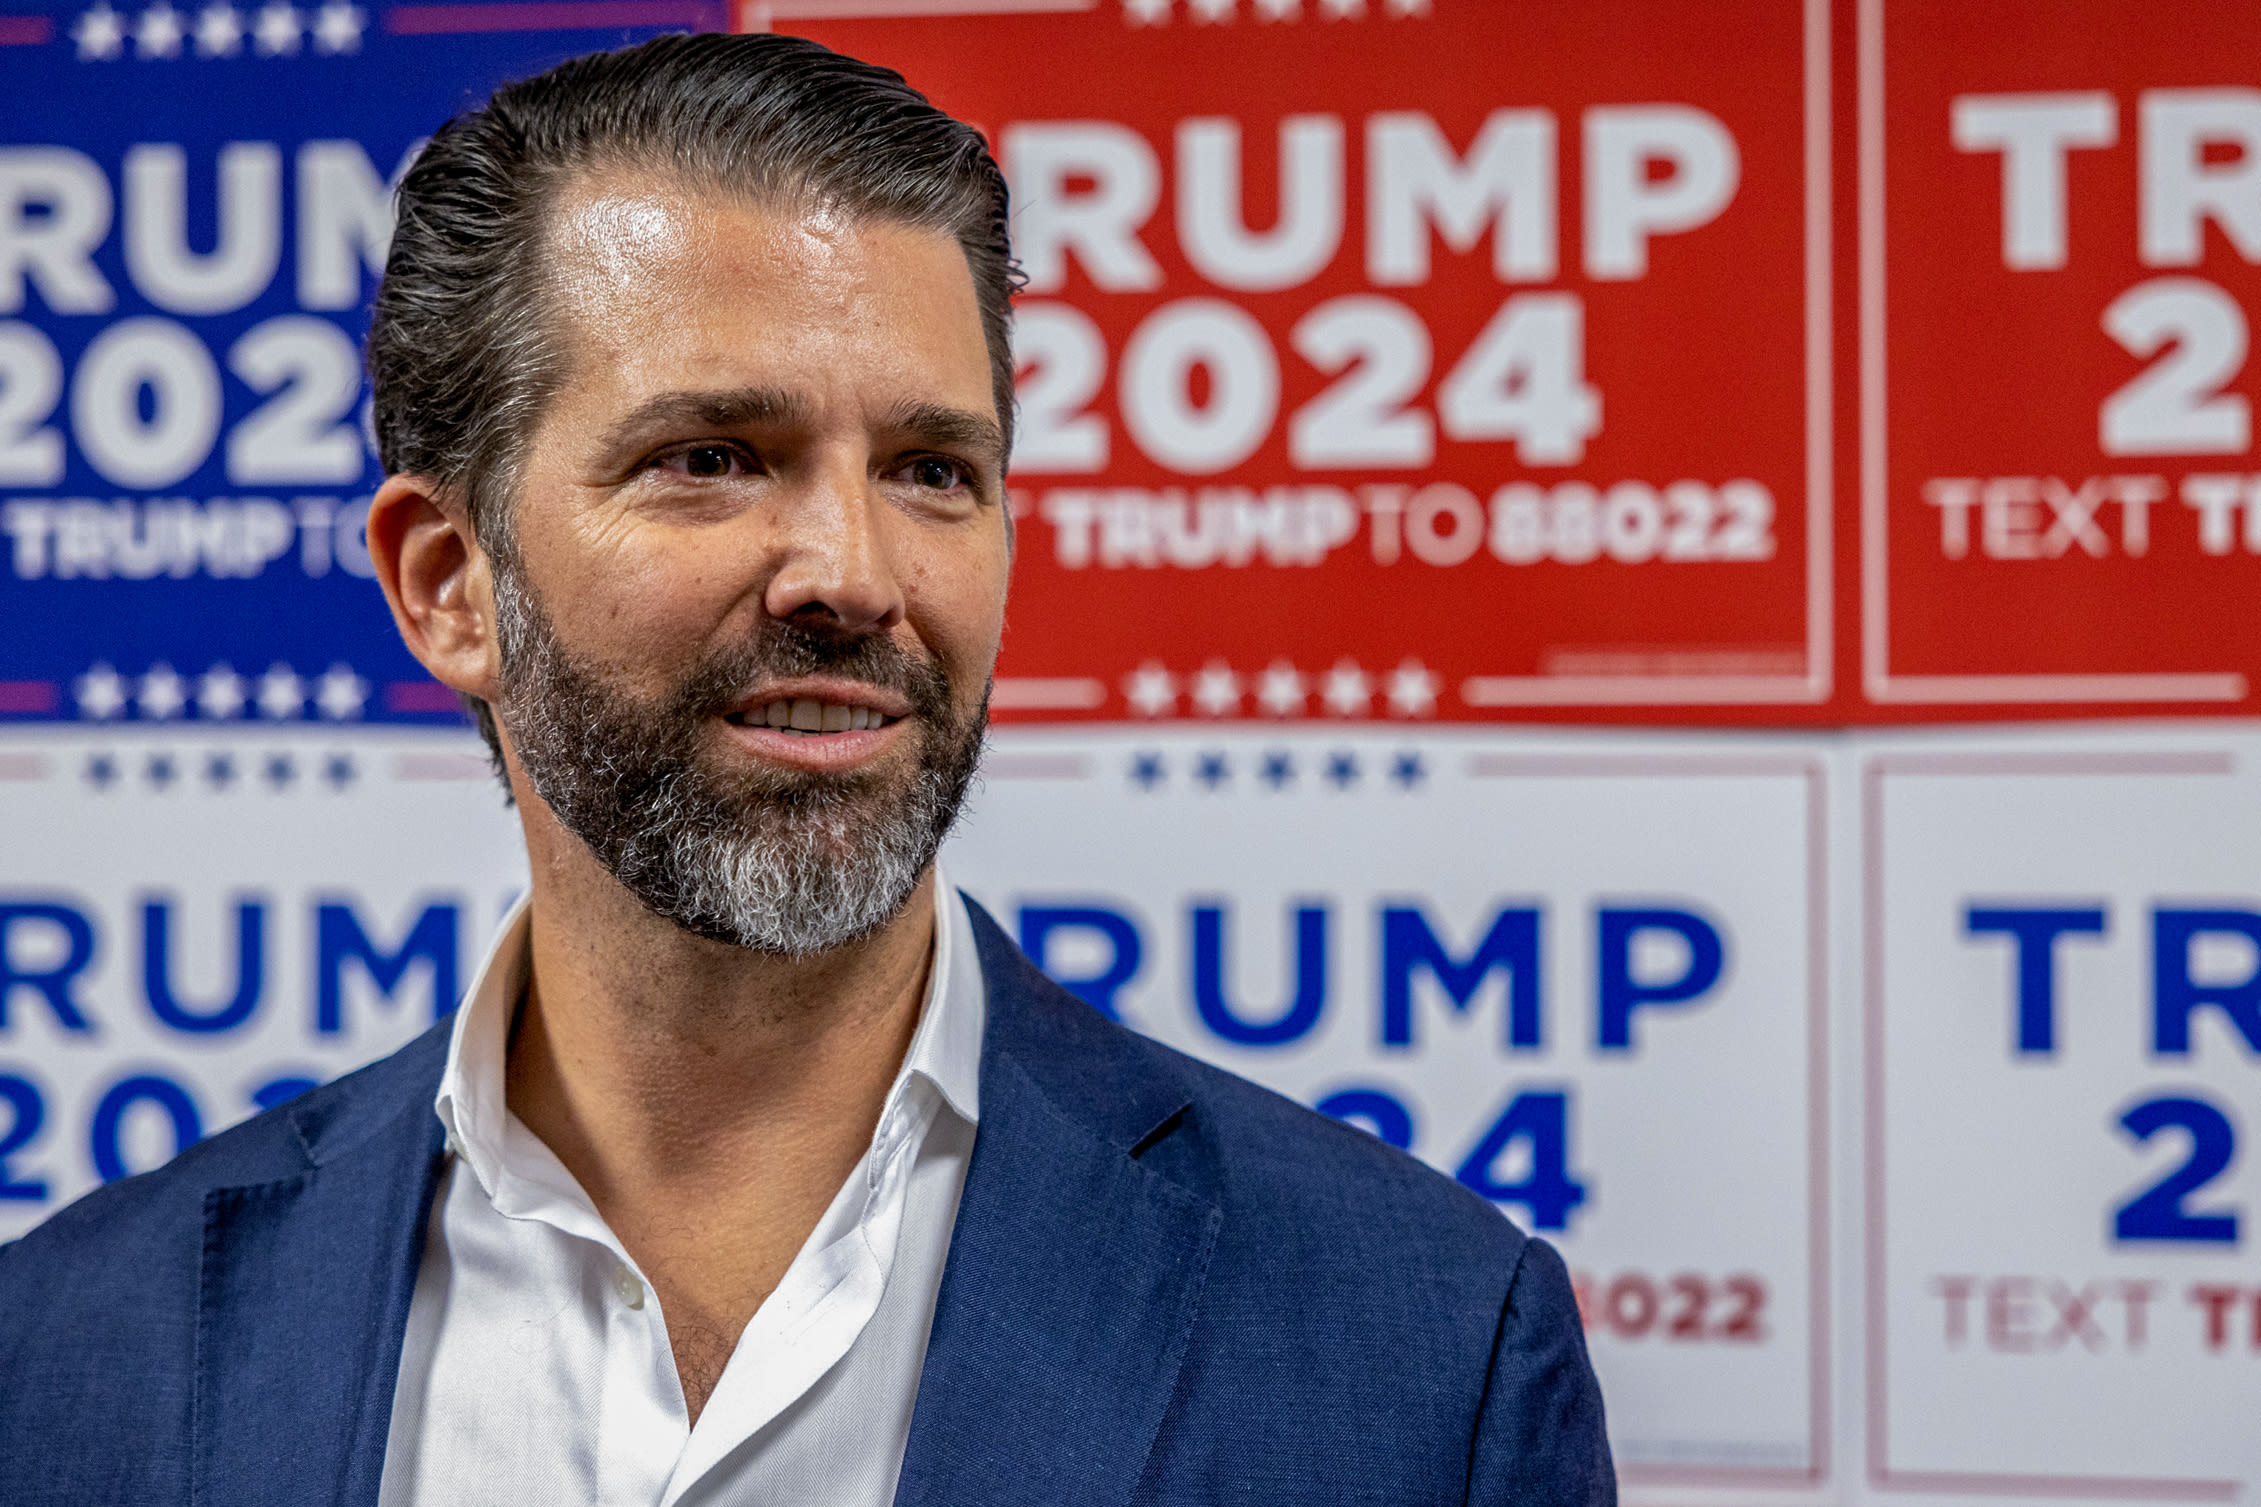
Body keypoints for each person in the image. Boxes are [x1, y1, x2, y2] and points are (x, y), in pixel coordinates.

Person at [0, 33, 1611, 1505]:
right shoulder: (72, 1356)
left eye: (931, 470)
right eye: (711, 458)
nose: (851, 571)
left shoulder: (1421, 1352)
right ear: (449, 585)